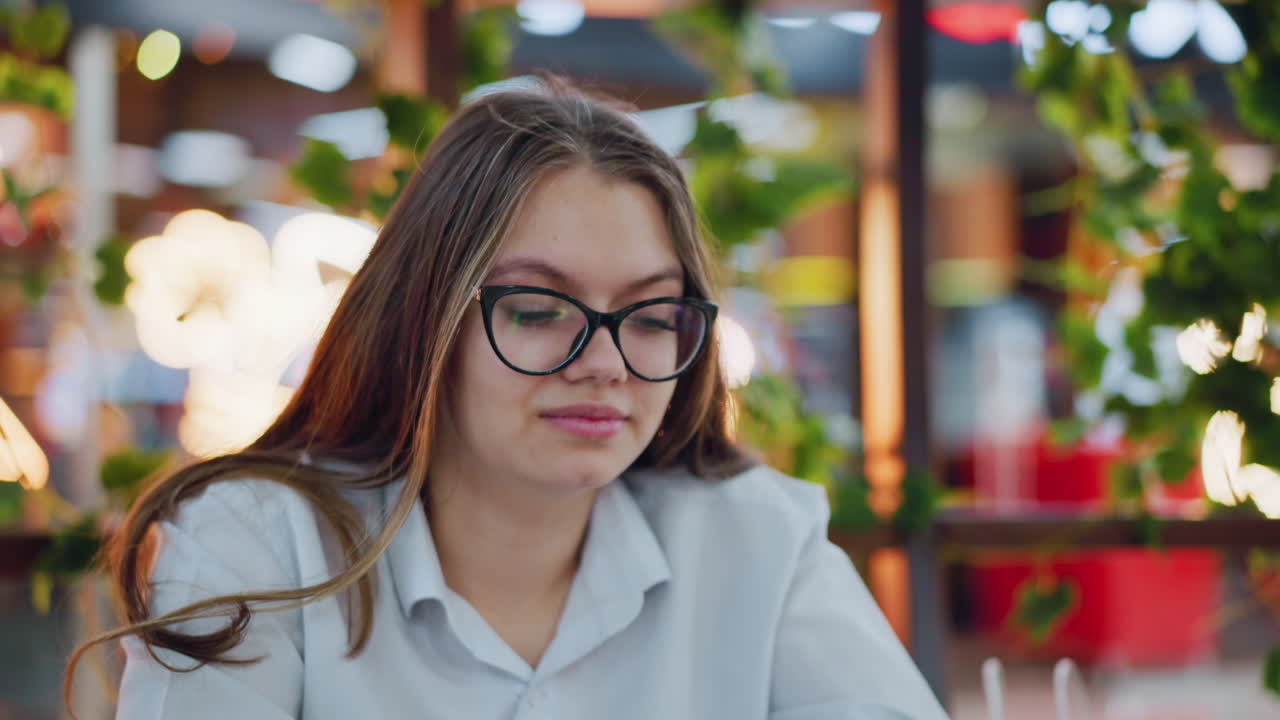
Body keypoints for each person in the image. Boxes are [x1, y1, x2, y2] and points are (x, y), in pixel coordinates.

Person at [69, 83, 950, 720]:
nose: (606, 363)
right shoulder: (258, 544)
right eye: (538, 309)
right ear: (425, 319)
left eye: (650, 314)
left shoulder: (756, 534)